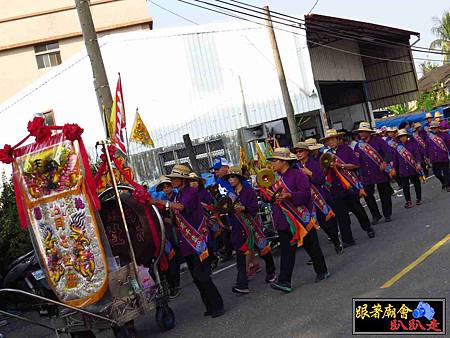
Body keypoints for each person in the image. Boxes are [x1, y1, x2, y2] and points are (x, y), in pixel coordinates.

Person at [158, 165, 225, 318]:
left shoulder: (191, 192)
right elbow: (177, 220)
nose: (172, 181)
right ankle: (209, 306)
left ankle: (217, 305)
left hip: (198, 242)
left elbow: (181, 207)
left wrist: (159, 202)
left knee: (203, 276)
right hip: (187, 244)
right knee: (196, 278)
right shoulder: (177, 195)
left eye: (174, 178)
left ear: (182, 180)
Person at [263, 148, 329, 293]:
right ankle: (284, 281)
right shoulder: (274, 178)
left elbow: (306, 194)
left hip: (300, 219)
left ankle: (322, 271)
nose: (272, 164)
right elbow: (270, 197)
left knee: (312, 246)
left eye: (274, 161)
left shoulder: (297, 175)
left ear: (283, 161)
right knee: (287, 251)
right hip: (283, 220)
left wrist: (289, 195)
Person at [225, 166, 276, 294]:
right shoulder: (229, 194)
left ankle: (271, 271)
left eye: (233, 177)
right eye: (229, 177)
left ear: (239, 178)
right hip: (238, 227)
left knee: (263, 249)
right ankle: (242, 284)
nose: (230, 179)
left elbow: (254, 207)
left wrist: (243, 208)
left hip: (250, 225)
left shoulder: (248, 191)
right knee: (240, 256)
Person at [320, 129, 374, 246]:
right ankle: (347, 239)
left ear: (338, 139)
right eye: (329, 140)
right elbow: (323, 171)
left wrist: (341, 165)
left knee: (358, 210)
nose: (331, 142)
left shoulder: (347, 149)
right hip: (335, 188)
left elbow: (355, 165)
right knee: (341, 216)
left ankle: (368, 227)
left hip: (349, 186)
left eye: (333, 139)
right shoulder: (326, 154)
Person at [292, 141, 343, 254]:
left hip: (317, 196)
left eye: (301, 151)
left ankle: (336, 241)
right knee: (309, 227)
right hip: (305, 200)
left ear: (307, 152)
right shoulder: (295, 167)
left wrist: (309, 173)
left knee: (325, 223)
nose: (298, 154)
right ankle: (314, 254)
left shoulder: (315, 163)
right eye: (296, 152)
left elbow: (321, 180)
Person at [354, 122, 394, 224]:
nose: (361, 133)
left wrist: (385, 162)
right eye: (360, 132)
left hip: (380, 171)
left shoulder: (379, 141)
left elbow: (389, 152)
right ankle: (376, 215)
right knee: (368, 196)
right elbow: (356, 160)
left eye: (363, 131)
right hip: (366, 175)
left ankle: (387, 214)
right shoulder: (358, 146)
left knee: (384, 194)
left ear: (368, 132)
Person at [156, 176, 181, 299]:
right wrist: (166, 219)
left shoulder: (178, 197)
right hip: (170, 233)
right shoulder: (161, 201)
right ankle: (175, 285)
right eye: (164, 187)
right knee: (172, 258)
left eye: (168, 186)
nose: (166, 189)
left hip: (182, 230)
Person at [189, 172, 220, 271]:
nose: (193, 183)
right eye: (191, 181)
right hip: (195, 222)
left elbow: (211, 205)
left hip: (206, 220)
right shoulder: (187, 195)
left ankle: (212, 258)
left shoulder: (204, 192)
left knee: (208, 241)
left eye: (195, 181)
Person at [393, 129, 425, 208]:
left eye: (404, 136)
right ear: (399, 138)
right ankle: (408, 201)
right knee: (405, 186)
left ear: (406, 136)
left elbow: (417, 155)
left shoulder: (412, 144)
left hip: (413, 167)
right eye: (400, 136)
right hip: (403, 170)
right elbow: (395, 159)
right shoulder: (397, 147)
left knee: (416, 184)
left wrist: (418, 163)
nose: (402, 138)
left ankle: (418, 198)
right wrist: (394, 169)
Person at [211, 157, 234, 262]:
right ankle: (229, 252)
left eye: (218, 169)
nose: (216, 172)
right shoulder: (218, 180)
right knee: (225, 230)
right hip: (224, 210)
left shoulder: (233, 177)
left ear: (226, 167)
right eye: (215, 170)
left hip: (236, 208)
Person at [426, 121, 450, 192]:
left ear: (438, 127)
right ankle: (444, 182)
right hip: (434, 158)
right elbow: (427, 147)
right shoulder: (428, 137)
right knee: (437, 173)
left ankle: (448, 185)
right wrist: (427, 157)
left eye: (435, 128)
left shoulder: (444, 135)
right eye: (432, 128)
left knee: (446, 172)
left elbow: (449, 145)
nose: (434, 129)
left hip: (444, 157)